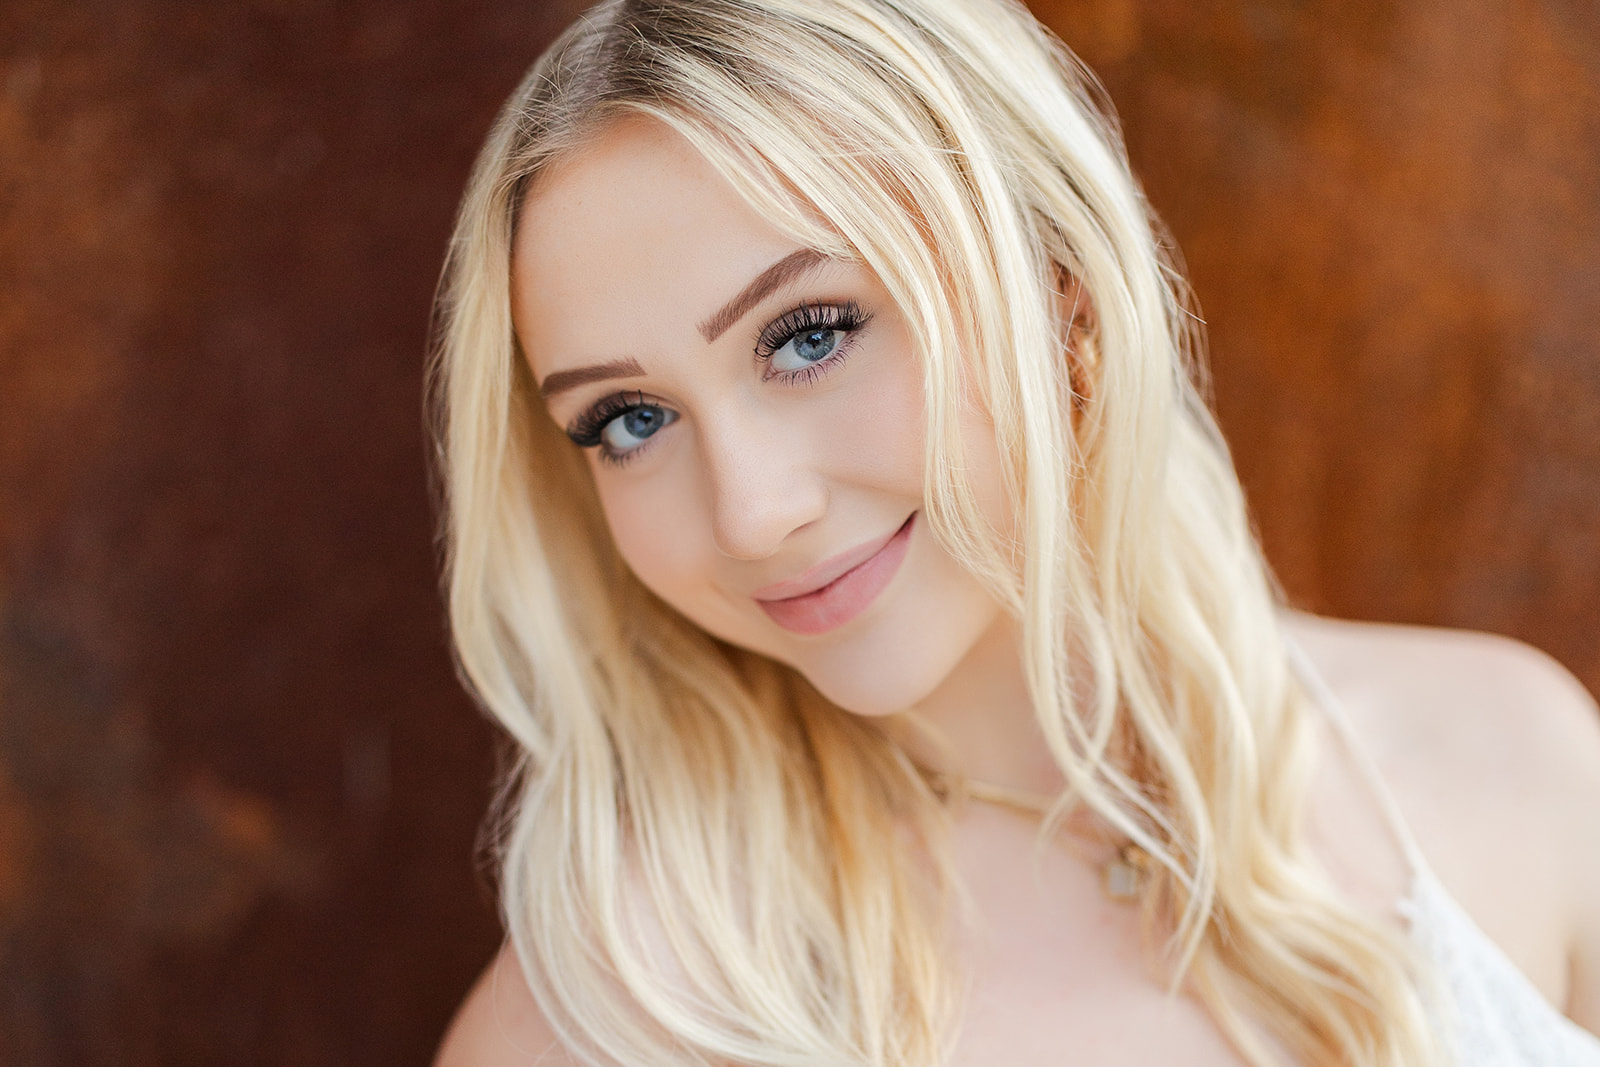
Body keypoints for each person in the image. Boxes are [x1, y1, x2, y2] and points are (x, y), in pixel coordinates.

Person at [427, 0, 1600, 1063]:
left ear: (1054, 287)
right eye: (629, 418)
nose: (751, 510)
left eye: (809, 335)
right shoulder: (615, 1020)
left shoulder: (1515, 755)